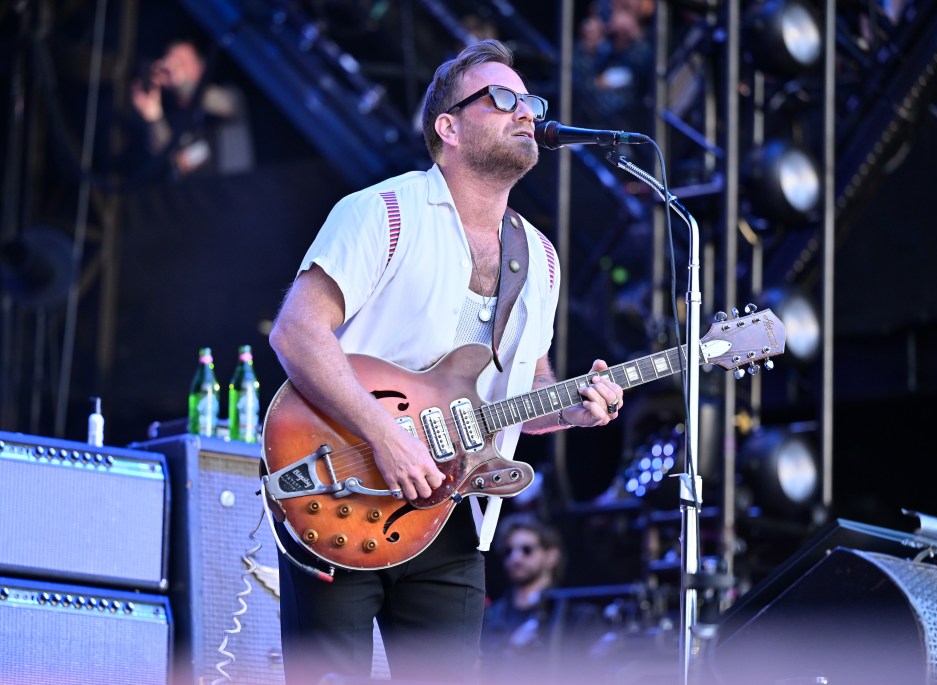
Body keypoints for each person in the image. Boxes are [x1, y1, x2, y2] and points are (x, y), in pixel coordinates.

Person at [267, 38, 626, 685]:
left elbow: (528, 385)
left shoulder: (538, 258)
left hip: (454, 520)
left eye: (532, 101)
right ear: (448, 125)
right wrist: (385, 437)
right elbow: (296, 333)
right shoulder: (383, 212)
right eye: (503, 98)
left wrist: (570, 406)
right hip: (343, 491)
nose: (527, 113)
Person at [480, 514, 606, 685]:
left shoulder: (578, 617)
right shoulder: (490, 616)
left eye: (527, 550)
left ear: (551, 556)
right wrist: (510, 650)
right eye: (509, 551)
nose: (515, 558)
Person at [129, 39, 254, 179]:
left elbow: (215, 100)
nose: (174, 69)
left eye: (182, 63)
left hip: (234, 194)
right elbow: (166, 159)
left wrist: (178, 80)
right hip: (194, 197)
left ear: (201, 68)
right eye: (171, 62)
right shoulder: (176, 119)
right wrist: (153, 116)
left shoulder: (230, 97)